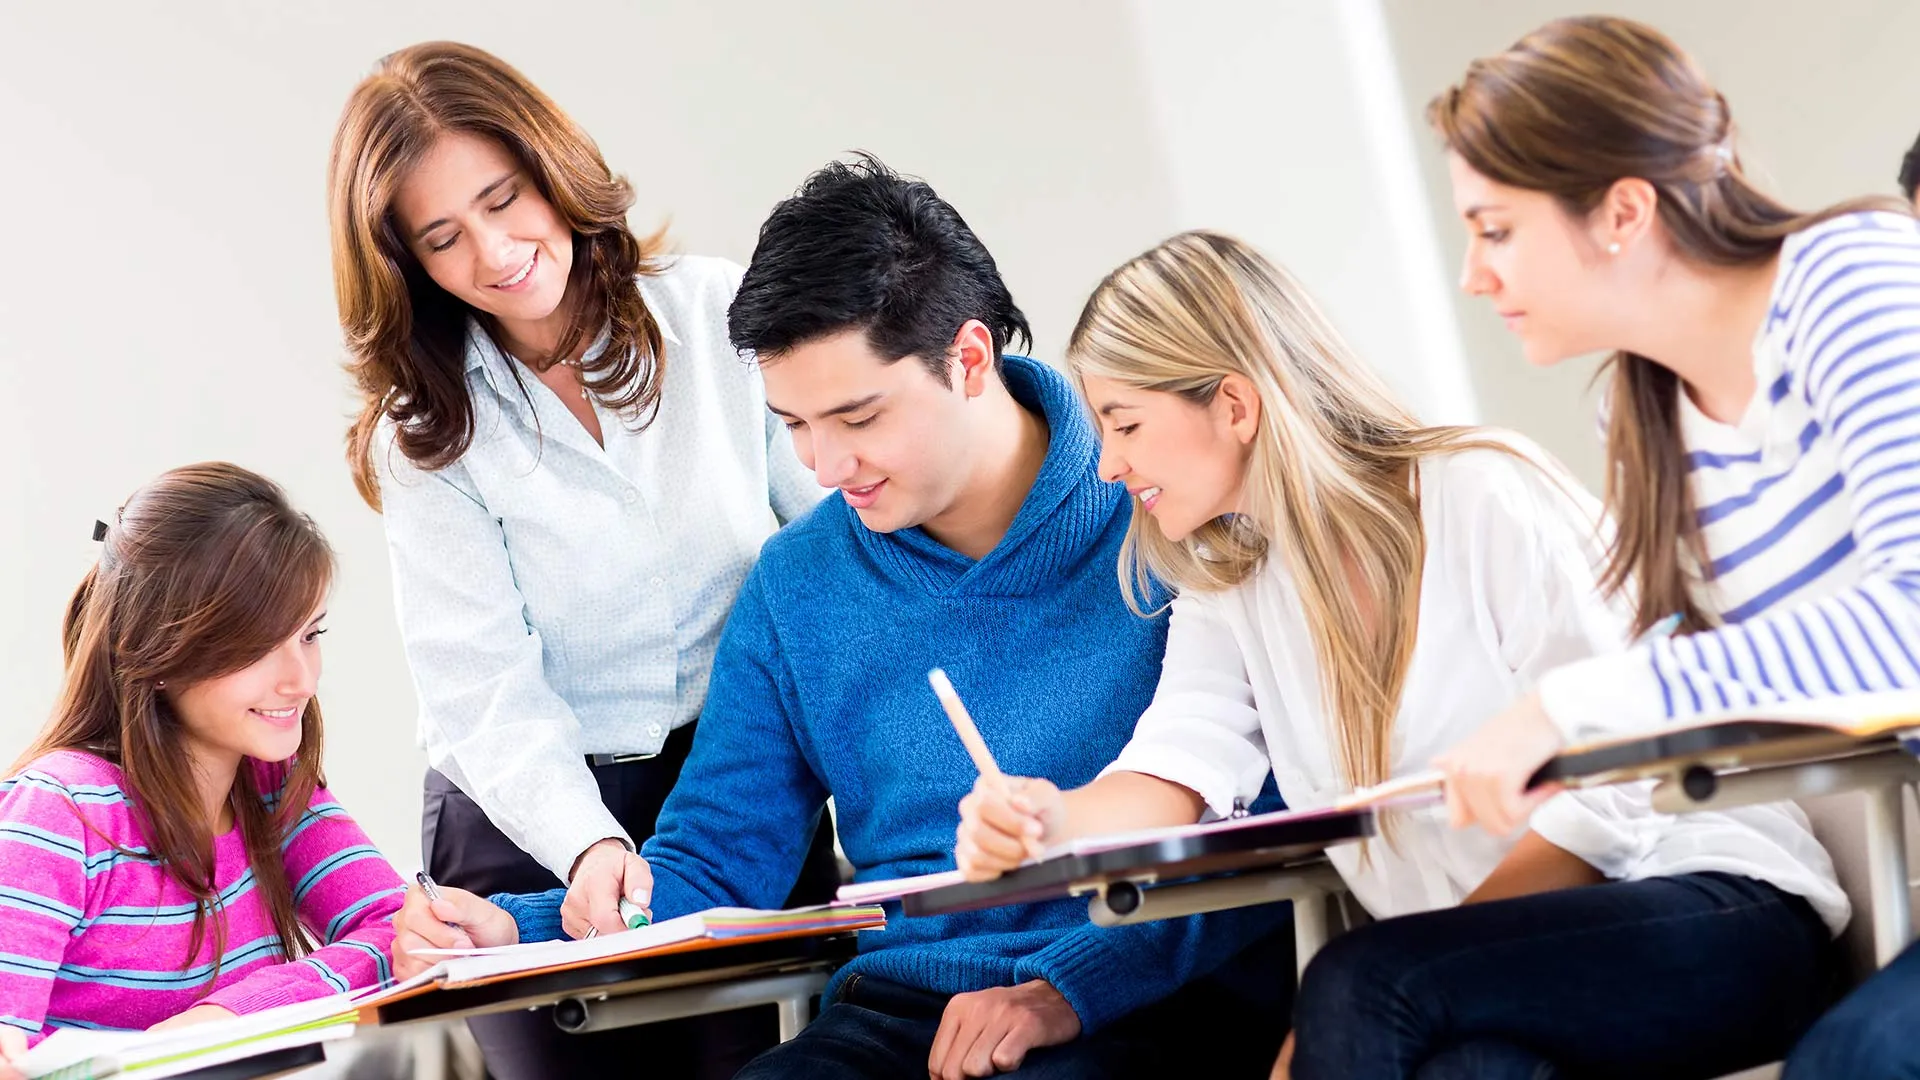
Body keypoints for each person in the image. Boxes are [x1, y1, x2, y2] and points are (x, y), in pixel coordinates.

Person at [391, 155, 1294, 1080]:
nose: (826, 465)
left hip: (1151, 994)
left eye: (858, 417)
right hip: (904, 1013)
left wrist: (1070, 988)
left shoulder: (1162, 508)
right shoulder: (797, 588)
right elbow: (713, 862)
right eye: (794, 425)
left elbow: (1272, 814)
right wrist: (514, 926)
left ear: (969, 359)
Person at [953, 230, 1847, 1079]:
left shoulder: (1481, 491)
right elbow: (1179, 764)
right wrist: (1049, 822)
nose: (1106, 465)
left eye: (1126, 424)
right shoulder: (1233, 583)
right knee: (1474, 1069)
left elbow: (1609, 782)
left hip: (1718, 908)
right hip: (1474, 976)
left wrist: (1404, 974)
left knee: (1359, 983)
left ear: (1234, 403)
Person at [1409, 15, 1920, 1076]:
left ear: (1623, 213)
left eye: (1496, 230)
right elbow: (1717, 704)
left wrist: (1567, 708)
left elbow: (1912, 623)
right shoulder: (1644, 417)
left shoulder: (1851, 277)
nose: (1473, 274)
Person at [326, 41, 838, 1077]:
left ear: (551, 166)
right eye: (443, 238)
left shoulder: (718, 316)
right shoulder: (425, 431)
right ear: (410, 266)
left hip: (734, 787)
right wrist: (586, 844)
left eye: (503, 198)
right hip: (520, 822)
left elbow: (833, 552)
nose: (495, 250)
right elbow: (481, 689)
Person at [0, 464, 403, 1078]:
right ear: (159, 649)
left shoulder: (270, 785)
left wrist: (232, 1015)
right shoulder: (60, 814)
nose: (301, 679)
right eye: (258, 646)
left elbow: (398, 930)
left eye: (310, 635)